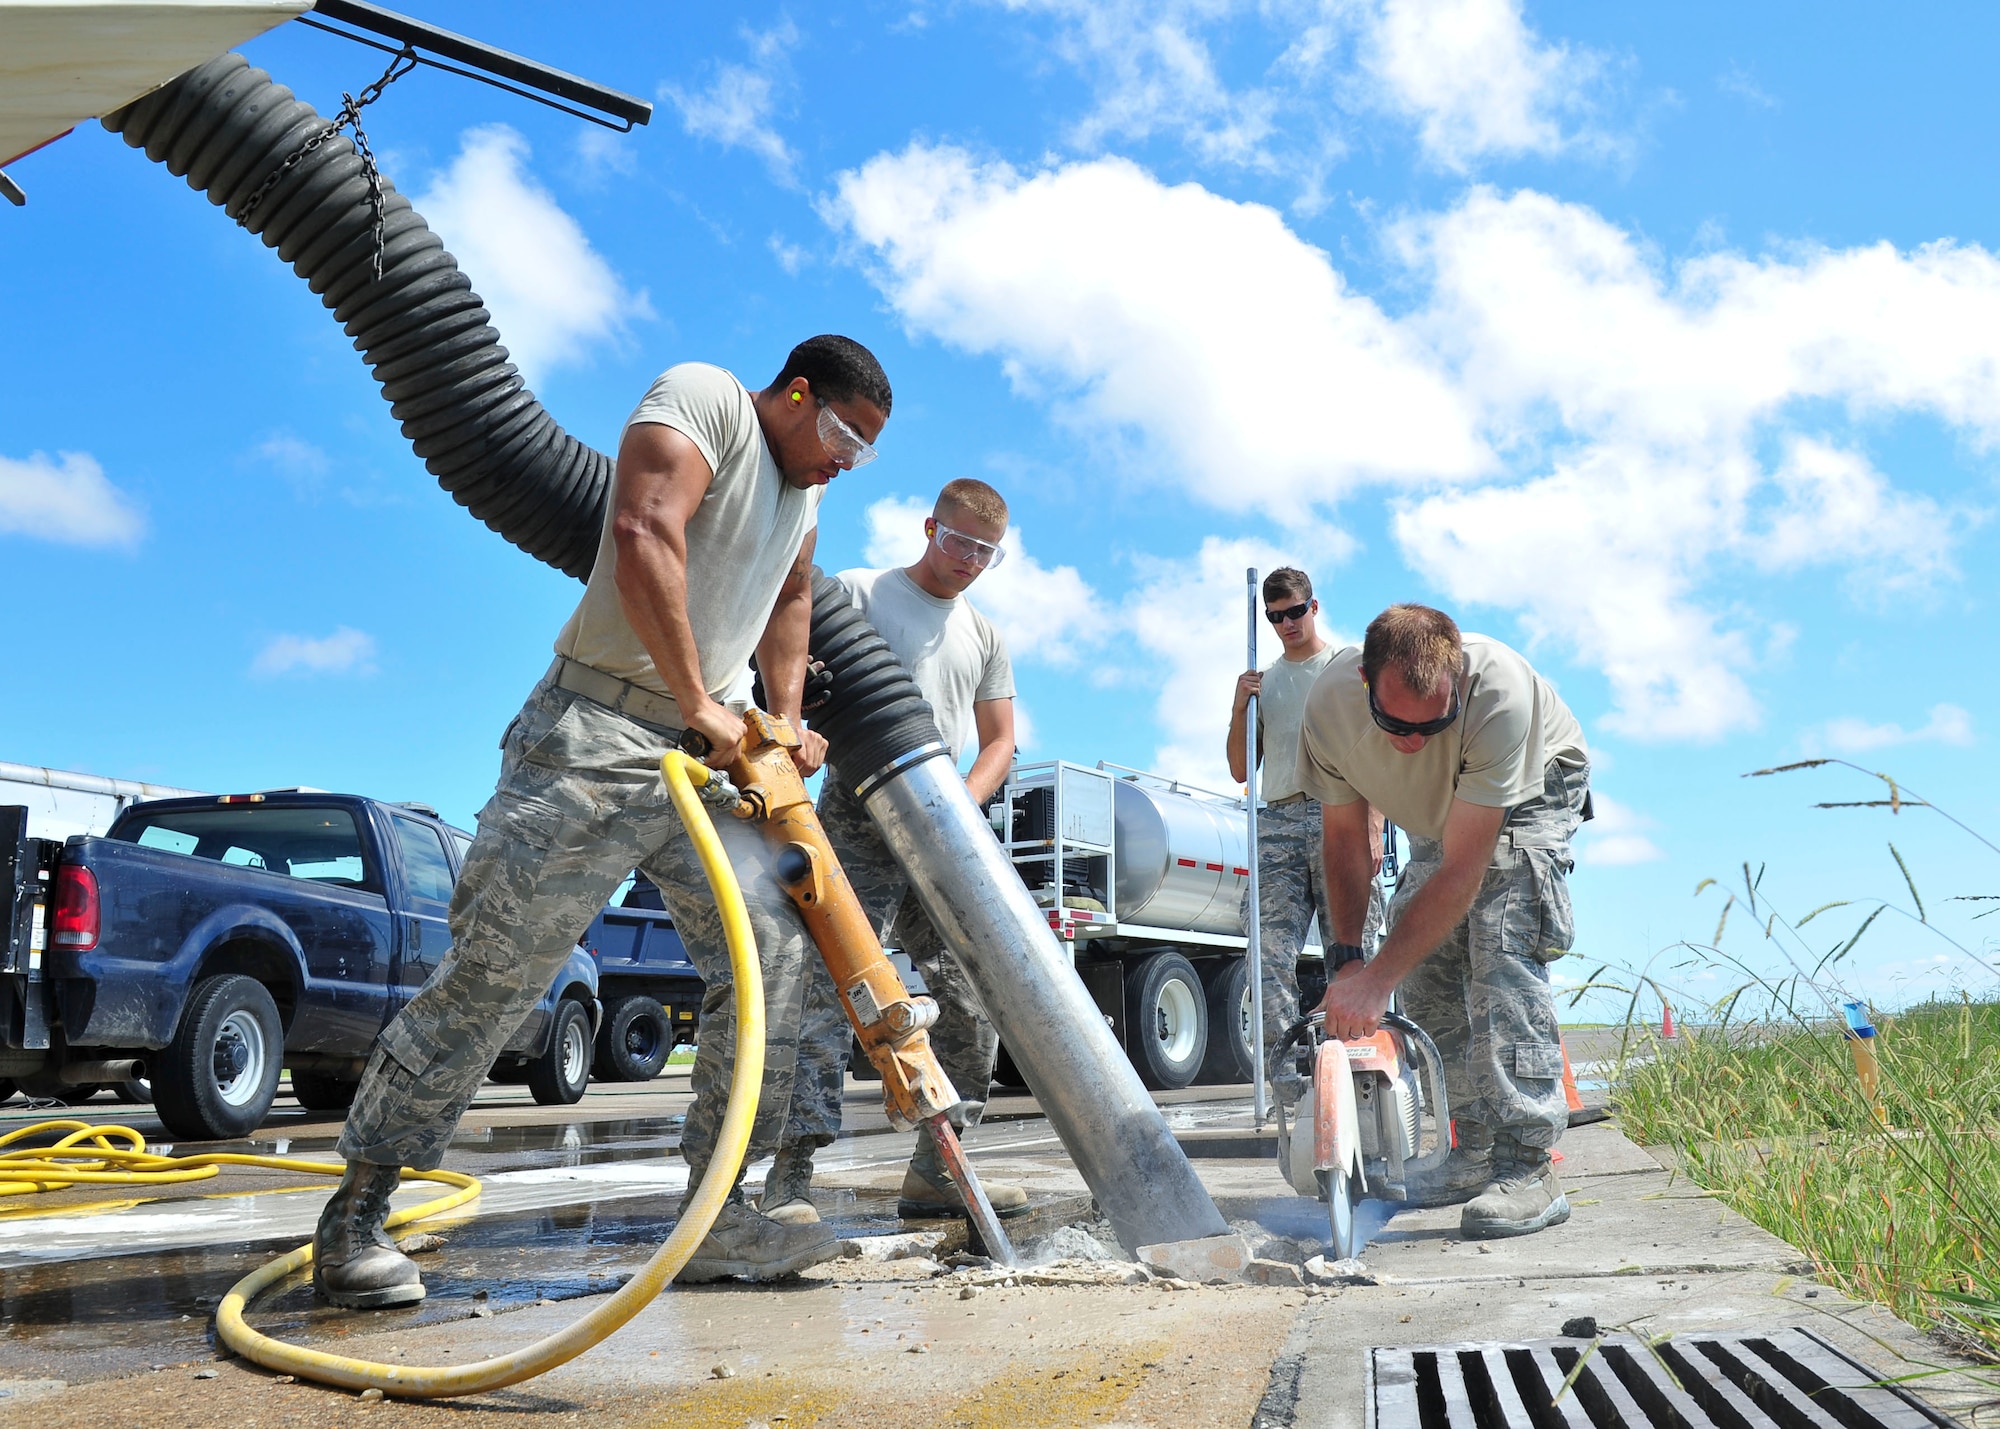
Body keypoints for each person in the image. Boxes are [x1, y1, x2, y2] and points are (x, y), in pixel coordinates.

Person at [311, 336, 893, 1307]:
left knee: (773, 960)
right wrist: (700, 701)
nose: (847, 460)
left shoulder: (809, 495)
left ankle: (715, 1212)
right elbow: (642, 529)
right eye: (842, 434)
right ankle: (356, 1220)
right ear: (796, 393)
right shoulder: (703, 399)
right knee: (496, 974)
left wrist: (782, 717)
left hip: (701, 764)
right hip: (593, 732)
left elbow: (792, 593)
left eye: (865, 452)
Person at [760, 478, 1025, 1225]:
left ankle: (939, 1170)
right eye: (959, 541)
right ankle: (791, 1178)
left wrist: (960, 808)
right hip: (858, 813)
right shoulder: (860, 592)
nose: (970, 559)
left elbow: (1001, 739)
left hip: (946, 827)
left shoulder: (983, 632)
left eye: (987, 551)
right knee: (832, 987)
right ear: (929, 524)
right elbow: (788, 665)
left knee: (976, 995)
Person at [1297, 603, 1589, 1239]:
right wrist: (1350, 958)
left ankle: (1528, 1162)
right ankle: (1472, 1148)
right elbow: (1346, 842)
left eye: (1430, 726)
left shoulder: (1499, 696)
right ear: (1364, 685)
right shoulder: (1329, 708)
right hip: (1436, 805)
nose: (1409, 742)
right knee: (1423, 961)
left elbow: (1464, 870)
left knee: (1500, 936)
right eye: (1393, 725)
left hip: (1534, 784)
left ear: (1456, 685)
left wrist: (1377, 980)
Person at [1224, 568, 1375, 1100]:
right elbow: (1242, 770)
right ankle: (1288, 1090)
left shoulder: (1347, 665)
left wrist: (1373, 820)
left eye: (1294, 611)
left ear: (1314, 607)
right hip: (1279, 822)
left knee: (1353, 955)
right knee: (1265, 954)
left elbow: (1375, 744)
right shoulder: (1263, 681)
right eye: (1274, 616)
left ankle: (1361, 1080)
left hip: (1342, 814)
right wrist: (1241, 704)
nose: (1286, 623)